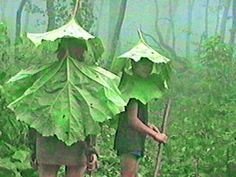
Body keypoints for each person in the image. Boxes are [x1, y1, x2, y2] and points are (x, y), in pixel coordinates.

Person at [31, 38, 99, 177]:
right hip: (49, 139)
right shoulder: (46, 77)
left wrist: (92, 149)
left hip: (77, 140)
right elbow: (35, 113)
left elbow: (90, 117)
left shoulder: (86, 80)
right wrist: (33, 147)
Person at [114, 58, 168, 177]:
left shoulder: (140, 86)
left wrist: (148, 125)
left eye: (149, 64)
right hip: (129, 139)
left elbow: (136, 117)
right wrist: (155, 135)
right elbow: (132, 120)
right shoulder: (132, 86)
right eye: (143, 64)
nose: (147, 68)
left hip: (135, 139)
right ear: (133, 64)